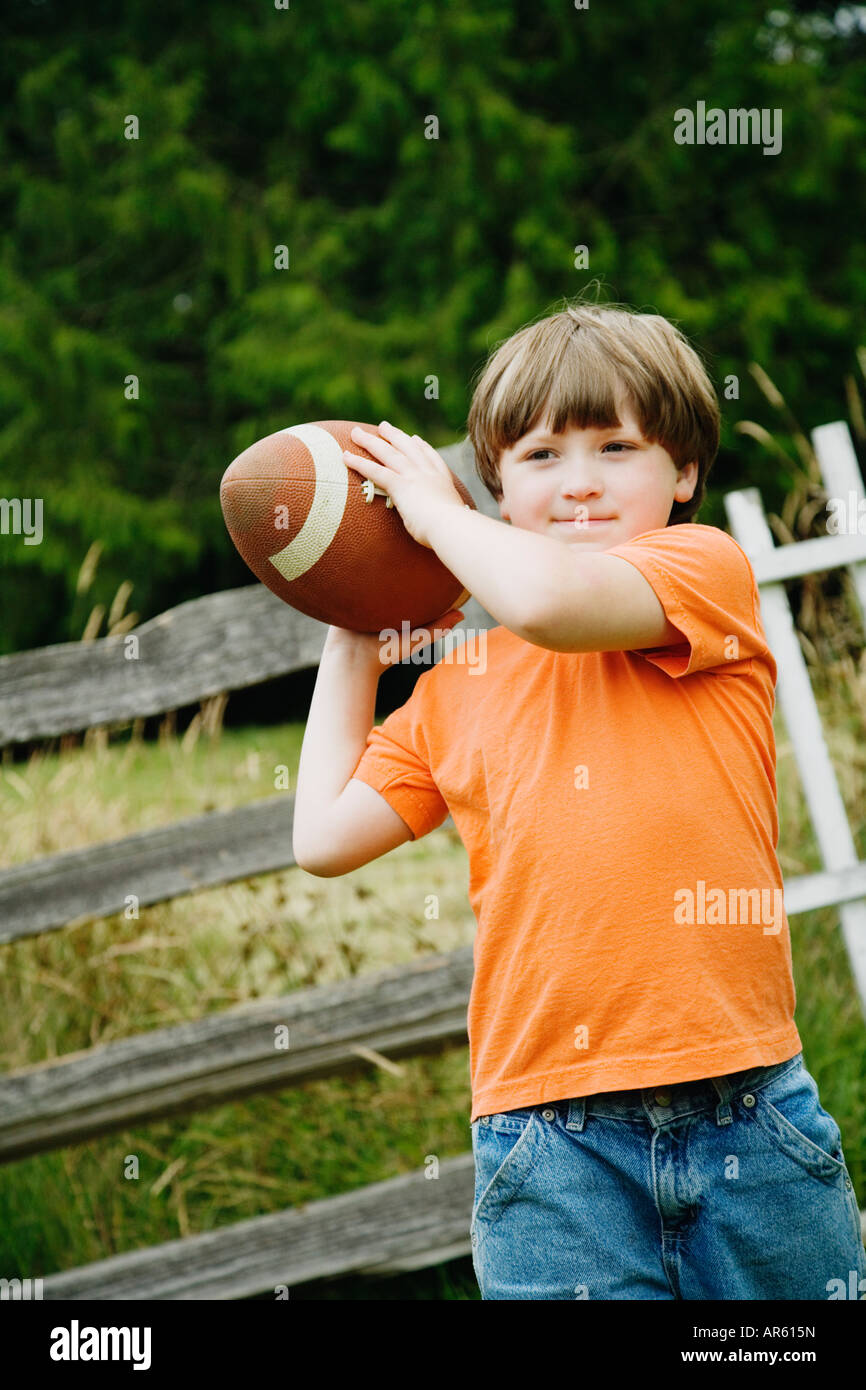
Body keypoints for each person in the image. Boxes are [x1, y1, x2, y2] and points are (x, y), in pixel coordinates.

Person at [292, 298, 866, 1300]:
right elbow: (322, 835)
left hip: (747, 1116)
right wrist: (353, 618)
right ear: (499, 481)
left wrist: (438, 516)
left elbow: (549, 603)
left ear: (682, 472)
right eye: (541, 456)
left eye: (614, 446)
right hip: (548, 1149)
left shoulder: (700, 576)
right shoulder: (455, 691)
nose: (579, 484)